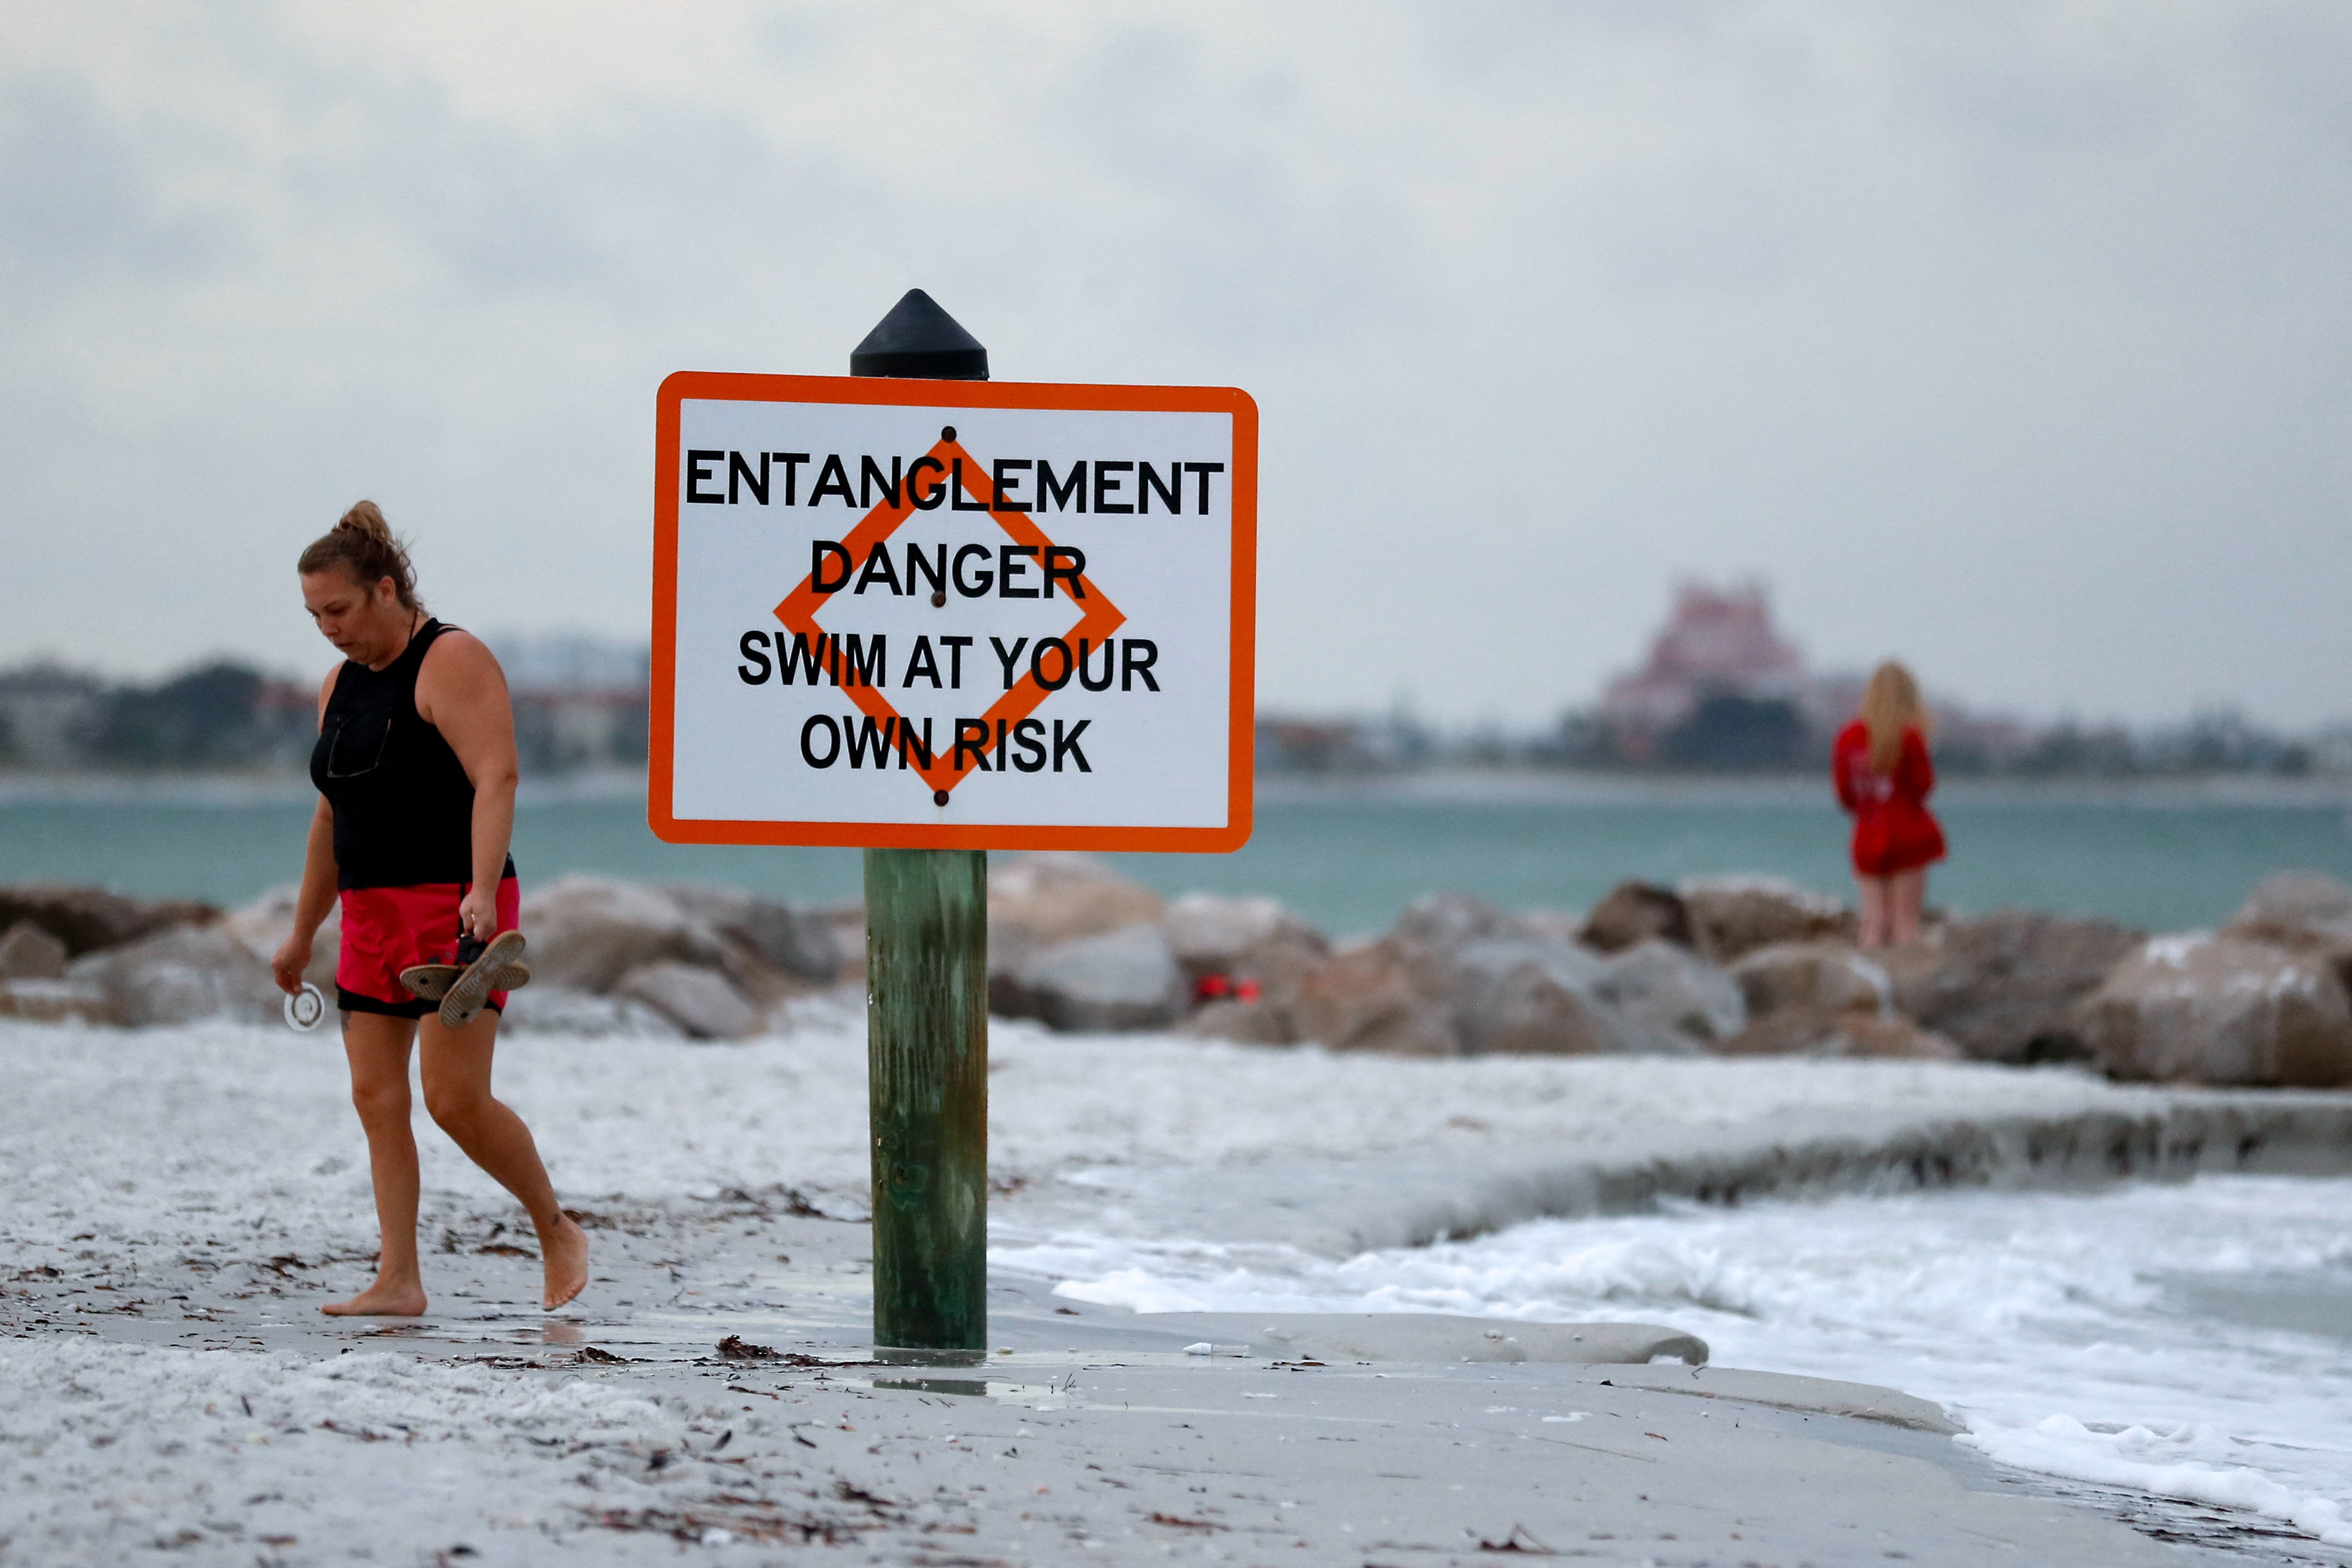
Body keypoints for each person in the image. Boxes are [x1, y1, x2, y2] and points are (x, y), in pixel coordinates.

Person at [269, 502, 587, 1315]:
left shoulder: (451, 659)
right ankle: (399, 1278)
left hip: (455, 907)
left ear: (384, 589)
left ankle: (556, 1228)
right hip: (370, 910)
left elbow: (497, 775)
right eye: (314, 616)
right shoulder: (339, 685)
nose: (327, 629)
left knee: (453, 1100)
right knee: (377, 1097)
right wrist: (303, 930)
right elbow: (330, 815)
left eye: (337, 609)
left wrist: (480, 888)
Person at [1832, 661, 1947, 949]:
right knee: (1905, 924)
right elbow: (1923, 786)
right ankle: (1904, 989)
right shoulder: (1909, 737)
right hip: (1908, 834)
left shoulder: (1848, 738)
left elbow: (1846, 795)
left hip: (1867, 835)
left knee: (1872, 923)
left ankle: (1870, 983)